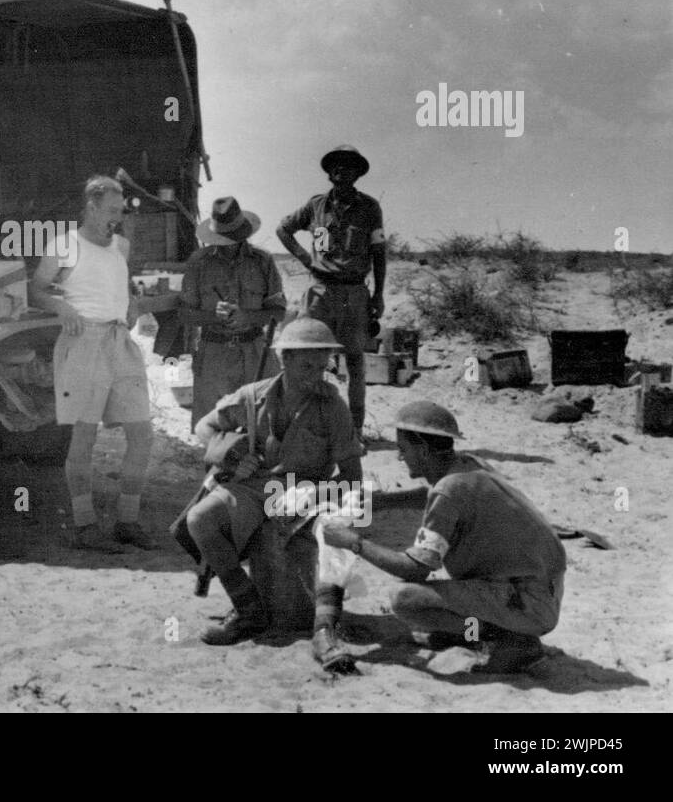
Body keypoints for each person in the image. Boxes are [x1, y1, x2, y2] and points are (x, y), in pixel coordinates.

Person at [321, 401, 566, 674]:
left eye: (403, 450)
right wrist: (374, 504)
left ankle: (512, 640)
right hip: (543, 588)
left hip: (527, 602)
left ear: (423, 450)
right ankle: (475, 632)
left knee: (406, 600)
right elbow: (429, 496)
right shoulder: (469, 466)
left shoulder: (448, 491)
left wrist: (354, 543)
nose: (400, 458)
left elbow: (416, 570)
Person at [187, 318, 361, 670]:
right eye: (307, 364)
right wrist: (229, 453)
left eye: (322, 364)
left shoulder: (333, 407)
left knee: (338, 529)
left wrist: (317, 496)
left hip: (311, 492)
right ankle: (248, 610)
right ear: (285, 360)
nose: (316, 374)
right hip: (258, 487)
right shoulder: (254, 396)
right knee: (199, 519)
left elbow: (352, 477)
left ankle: (324, 629)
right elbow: (204, 426)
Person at [29, 175, 154, 552]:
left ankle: (126, 521)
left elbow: (118, 284)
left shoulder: (121, 246)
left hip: (120, 342)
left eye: (121, 211)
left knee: (142, 435)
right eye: (112, 210)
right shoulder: (64, 245)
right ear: (91, 205)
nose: (117, 217)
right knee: (84, 438)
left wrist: (130, 302)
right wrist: (61, 306)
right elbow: (36, 289)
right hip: (83, 344)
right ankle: (85, 525)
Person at [276, 144, 385, 442]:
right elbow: (283, 229)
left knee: (354, 362)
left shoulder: (370, 208)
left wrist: (379, 295)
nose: (341, 170)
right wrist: (302, 257)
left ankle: (355, 428)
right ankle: (302, 421)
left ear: (357, 173)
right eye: (335, 165)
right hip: (320, 291)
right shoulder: (315, 206)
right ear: (329, 171)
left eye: (348, 165)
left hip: (354, 294)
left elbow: (378, 252)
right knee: (304, 356)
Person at [179, 197, 285, 427]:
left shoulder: (263, 261)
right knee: (213, 432)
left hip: (256, 355)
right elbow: (185, 314)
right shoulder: (199, 262)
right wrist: (212, 316)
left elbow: (278, 312)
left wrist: (248, 317)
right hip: (213, 359)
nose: (228, 244)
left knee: (261, 428)